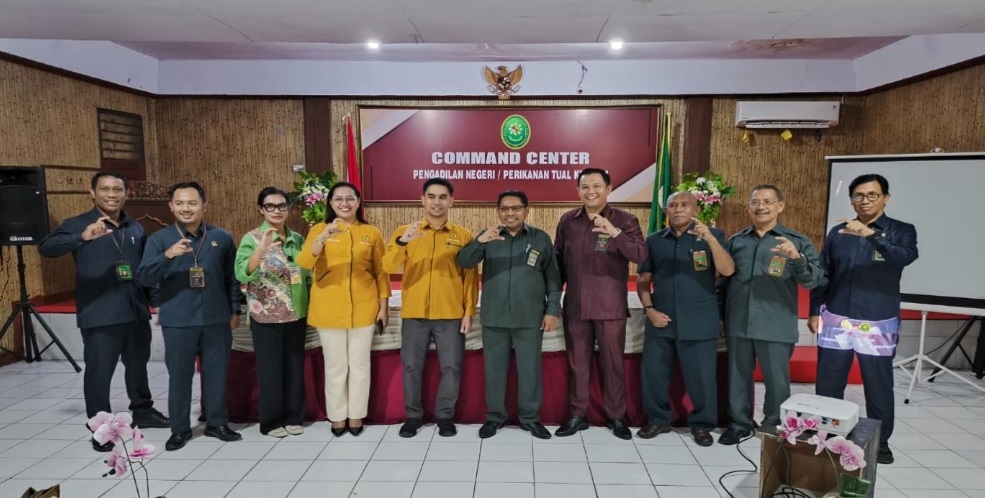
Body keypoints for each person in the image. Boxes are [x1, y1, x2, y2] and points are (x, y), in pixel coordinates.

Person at [38, 171, 169, 451]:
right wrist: (81, 238)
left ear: (126, 193)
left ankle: (143, 410)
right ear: (92, 193)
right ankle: (101, 428)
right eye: (105, 189)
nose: (112, 194)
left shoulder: (134, 228)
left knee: (137, 366)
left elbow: (145, 269)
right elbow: (46, 248)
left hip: (135, 310)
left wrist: (154, 299)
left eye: (117, 189)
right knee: (99, 371)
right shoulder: (78, 224)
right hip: (100, 313)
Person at [809, 174, 917, 465]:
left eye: (871, 195)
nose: (864, 200)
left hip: (878, 320)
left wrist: (871, 235)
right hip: (835, 318)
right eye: (858, 195)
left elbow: (904, 258)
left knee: (878, 384)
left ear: (885, 198)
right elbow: (824, 274)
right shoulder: (838, 233)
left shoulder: (901, 231)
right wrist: (814, 309)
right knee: (829, 383)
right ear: (851, 199)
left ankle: (880, 443)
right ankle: (826, 434)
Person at [136, 181, 243, 451]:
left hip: (216, 318)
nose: (186, 208)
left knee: (217, 374)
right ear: (171, 206)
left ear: (204, 206)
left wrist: (234, 310)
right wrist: (167, 256)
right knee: (180, 377)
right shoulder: (159, 240)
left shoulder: (222, 238)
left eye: (192, 203)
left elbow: (231, 279)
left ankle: (217, 423)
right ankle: (180, 429)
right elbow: (144, 277)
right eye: (180, 203)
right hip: (179, 320)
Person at [717, 184, 824, 445]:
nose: (761, 207)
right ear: (748, 207)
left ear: (780, 206)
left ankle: (775, 423)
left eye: (767, 201)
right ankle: (739, 423)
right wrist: (721, 316)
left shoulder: (796, 241)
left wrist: (796, 258)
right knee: (738, 377)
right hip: (738, 322)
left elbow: (813, 280)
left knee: (777, 380)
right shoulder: (737, 241)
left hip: (775, 322)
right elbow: (724, 283)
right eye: (755, 202)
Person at [457, 190, 561, 440]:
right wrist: (480, 242)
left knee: (530, 371)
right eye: (505, 209)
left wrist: (551, 310)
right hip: (495, 317)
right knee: (494, 370)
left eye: (516, 208)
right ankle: (494, 418)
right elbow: (464, 262)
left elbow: (554, 278)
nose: (510, 213)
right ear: (498, 212)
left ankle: (530, 419)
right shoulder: (489, 237)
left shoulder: (541, 238)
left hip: (530, 317)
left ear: (527, 210)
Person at [554, 168, 647, 440]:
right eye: (585, 186)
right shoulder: (568, 221)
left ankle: (616, 417)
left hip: (609, 306)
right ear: (578, 190)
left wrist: (615, 233)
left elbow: (640, 254)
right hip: (576, 306)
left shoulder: (625, 220)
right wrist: (552, 299)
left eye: (597, 186)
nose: (590, 191)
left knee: (613, 364)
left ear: (609, 188)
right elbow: (559, 261)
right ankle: (577, 415)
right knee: (577, 364)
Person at [636, 191, 734, 446]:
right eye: (673, 205)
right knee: (654, 374)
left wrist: (711, 240)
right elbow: (644, 280)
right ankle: (658, 420)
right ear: (666, 211)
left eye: (684, 205)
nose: (678, 209)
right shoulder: (655, 240)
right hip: (662, 318)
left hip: (699, 318)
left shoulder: (713, 237)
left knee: (701, 377)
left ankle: (702, 425)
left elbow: (727, 270)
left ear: (696, 210)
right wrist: (649, 310)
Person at [383, 178, 478, 438]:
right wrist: (403, 241)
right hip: (414, 313)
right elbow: (388, 266)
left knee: (452, 367)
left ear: (451, 201)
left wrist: (468, 311)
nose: (437, 202)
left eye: (442, 197)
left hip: (450, 314)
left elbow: (469, 278)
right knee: (412, 367)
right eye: (432, 196)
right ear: (422, 200)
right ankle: (413, 416)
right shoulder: (406, 231)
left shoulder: (463, 236)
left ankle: (445, 416)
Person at [297, 182, 390, 437]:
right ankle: (337, 416)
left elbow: (381, 271)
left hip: (364, 306)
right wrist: (323, 237)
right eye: (338, 199)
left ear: (359, 202)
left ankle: (357, 415)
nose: (344, 203)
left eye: (350, 198)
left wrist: (384, 306)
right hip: (329, 307)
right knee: (336, 365)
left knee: (360, 365)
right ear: (330, 203)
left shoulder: (370, 232)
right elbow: (304, 262)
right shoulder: (318, 229)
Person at [235, 187, 310, 439]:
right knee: (270, 370)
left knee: (294, 367)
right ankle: (271, 421)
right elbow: (242, 272)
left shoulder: (298, 239)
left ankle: (293, 417)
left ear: (288, 209)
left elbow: (306, 273)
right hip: (265, 315)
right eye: (270, 206)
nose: (276, 211)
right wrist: (261, 250)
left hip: (295, 313)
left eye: (281, 206)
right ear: (261, 209)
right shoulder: (252, 238)